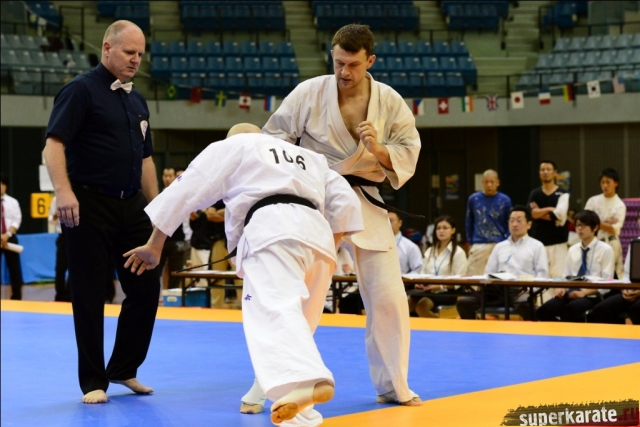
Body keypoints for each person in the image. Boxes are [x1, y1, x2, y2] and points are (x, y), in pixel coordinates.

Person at [123, 124, 364, 426]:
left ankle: (310, 379)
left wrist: (155, 244)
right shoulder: (310, 158)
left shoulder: (238, 145)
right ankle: (301, 415)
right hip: (319, 239)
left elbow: (186, 189)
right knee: (298, 325)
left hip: (273, 231)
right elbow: (346, 201)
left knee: (273, 314)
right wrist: (328, 242)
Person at [254, 23, 423, 410]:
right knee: (303, 295)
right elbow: (273, 139)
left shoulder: (389, 101)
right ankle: (274, 381)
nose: (344, 72)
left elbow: (408, 151)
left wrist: (378, 149)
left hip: (365, 200)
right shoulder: (309, 93)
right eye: (338, 62)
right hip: (318, 199)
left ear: (370, 61)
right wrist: (298, 173)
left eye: (353, 64)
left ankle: (393, 384)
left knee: (388, 297)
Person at [42, 20, 160, 404]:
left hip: (132, 205)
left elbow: (146, 160)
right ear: (107, 48)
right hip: (87, 205)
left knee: (147, 287)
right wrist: (63, 192)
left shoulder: (137, 100)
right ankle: (93, 380)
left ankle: (124, 367)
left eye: (140, 54)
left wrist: (159, 208)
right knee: (90, 293)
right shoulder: (80, 90)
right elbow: (53, 145)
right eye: (129, 52)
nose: (136, 60)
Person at [457, 206, 549, 320]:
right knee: (464, 303)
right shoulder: (500, 247)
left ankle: (533, 331)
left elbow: (542, 276)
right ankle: (476, 330)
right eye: (512, 221)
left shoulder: (537, 246)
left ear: (529, 224)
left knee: (525, 305)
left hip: (521, 291)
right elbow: (488, 273)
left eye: (519, 221)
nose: (514, 224)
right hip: (498, 291)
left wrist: (530, 291)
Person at [536, 210, 614, 322]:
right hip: (571, 292)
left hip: (592, 295)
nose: (580, 229)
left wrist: (583, 293)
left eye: (584, 225)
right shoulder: (573, 249)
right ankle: (559, 331)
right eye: (577, 225)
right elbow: (566, 276)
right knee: (543, 311)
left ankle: (569, 331)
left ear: (595, 227)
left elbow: (607, 282)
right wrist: (561, 288)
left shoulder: (606, 249)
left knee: (569, 310)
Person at [48, 197, 117, 303]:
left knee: (78, 266)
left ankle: (74, 294)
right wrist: (56, 214)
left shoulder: (81, 196)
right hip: (63, 235)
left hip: (80, 235)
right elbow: (51, 220)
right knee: (60, 267)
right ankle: (60, 295)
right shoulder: (57, 199)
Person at [408, 215, 467, 318]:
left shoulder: (458, 252)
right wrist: (419, 283)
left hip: (447, 292)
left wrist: (440, 286)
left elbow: (459, 281)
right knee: (406, 303)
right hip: (428, 289)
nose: (441, 231)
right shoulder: (430, 251)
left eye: (445, 228)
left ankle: (439, 327)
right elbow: (422, 273)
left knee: (422, 306)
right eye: (438, 228)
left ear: (453, 230)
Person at [590, 210, 640, 325]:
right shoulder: (635, 242)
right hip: (633, 289)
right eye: (639, 217)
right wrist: (626, 288)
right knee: (600, 309)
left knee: (636, 310)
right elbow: (627, 273)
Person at [528, 160, 570, 281]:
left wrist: (539, 212)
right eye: (542, 170)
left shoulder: (563, 193)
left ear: (555, 173)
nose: (545, 172)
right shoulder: (534, 194)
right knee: (540, 278)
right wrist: (550, 209)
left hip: (559, 242)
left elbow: (559, 215)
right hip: (539, 242)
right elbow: (531, 214)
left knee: (559, 278)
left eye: (548, 169)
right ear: (539, 173)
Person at [465, 170, 512, 276]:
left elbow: (509, 222)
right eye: (486, 182)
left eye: (492, 182)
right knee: (475, 277)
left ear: (498, 182)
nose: (489, 185)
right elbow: (469, 221)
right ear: (482, 183)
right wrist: (470, 242)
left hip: (499, 243)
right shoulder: (474, 199)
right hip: (479, 243)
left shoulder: (505, 200)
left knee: (500, 277)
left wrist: (508, 242)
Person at [584, 168, 626, 279]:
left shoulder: (620, 205)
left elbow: (614, 229)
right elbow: (584, 220)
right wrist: (606, 223)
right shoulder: (593, 201)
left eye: (608, 182)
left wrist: (595, 221)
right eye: (602, 182)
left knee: (610, 275)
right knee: (591, 274)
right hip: (592, 241)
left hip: (611, 243)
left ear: (616, 183)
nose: (605, 185)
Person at [159, 167, 190, 289]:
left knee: (176, 272)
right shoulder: (158, 195)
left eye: (170, 176)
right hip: (161, 239)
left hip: (177, 239)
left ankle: (173, 296)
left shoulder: (181, 194)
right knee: (156, 271)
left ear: (174, 177)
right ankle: (156, 296)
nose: (167, 179)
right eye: (165, 176)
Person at [1, 173, 24, 300]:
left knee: (14, 269)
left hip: (9, 238)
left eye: (3, 184)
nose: (1, 186)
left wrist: (7, 234)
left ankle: (17, 297)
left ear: (6, 186)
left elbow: (17, 220)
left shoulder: (12, 202)